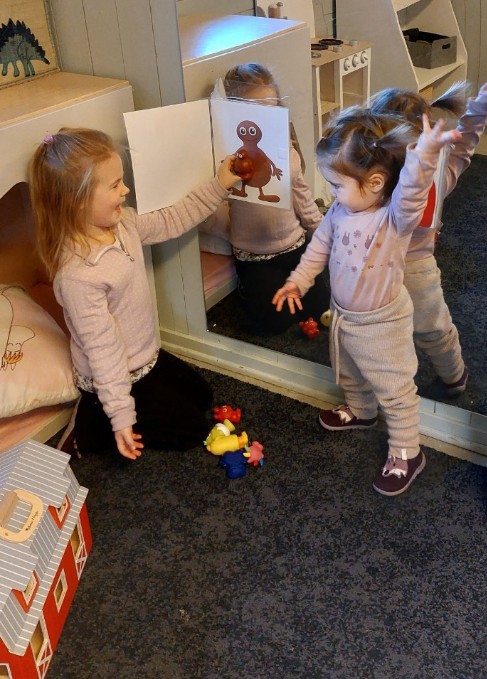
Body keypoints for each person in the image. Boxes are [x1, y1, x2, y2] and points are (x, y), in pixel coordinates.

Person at [272, 105, 462, 496]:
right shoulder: (340, 211)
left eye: (336, 184)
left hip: (382, 323)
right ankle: (360, 410)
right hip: (344, 315)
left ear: (375, 182)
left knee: (395, 389)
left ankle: (407, 452)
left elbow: (412, 192)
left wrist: (425, 156)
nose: (331, 193)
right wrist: (298, 281)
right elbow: (319, 247)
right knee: (349, 370)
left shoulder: (394, 219)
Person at [29, 127, 239, 461]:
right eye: (115, 185)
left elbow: (172, 219)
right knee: (192, 432)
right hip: (113, 376)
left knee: (202, 396)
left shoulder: (123, 224)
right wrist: (121, 416)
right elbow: (104, 350)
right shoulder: (78, 276)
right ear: (77, 201)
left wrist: (220, 184)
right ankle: (93, 421)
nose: (125, 190)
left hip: (145, 358)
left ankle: (115, 408)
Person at [370, 65, 487, 396]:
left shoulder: (411, 176)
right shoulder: (422, 174)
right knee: (411, 329)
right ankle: (442, 376)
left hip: (406, 266)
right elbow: (464, 145)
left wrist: (483, 103)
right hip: (388, 266)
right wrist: (482, 103)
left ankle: (452, 377)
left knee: (425, 328)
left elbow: (463, 145)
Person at [221, 62, 329, 334]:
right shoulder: (229, 157)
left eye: (270, 110)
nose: (263, 121)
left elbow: (301, 195)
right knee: (271, 324)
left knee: (320, 305)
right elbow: (215, 201)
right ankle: (248, 289)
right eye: (254, 112)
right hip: (254, 255)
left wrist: (322, 232)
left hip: (294, 243)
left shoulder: (285, 150)